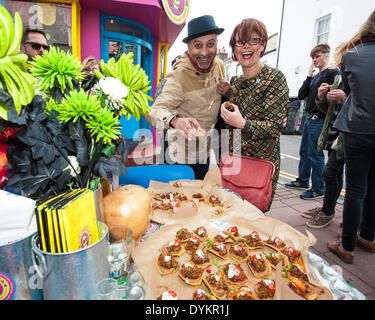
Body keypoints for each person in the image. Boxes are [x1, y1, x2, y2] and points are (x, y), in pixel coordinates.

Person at [219, 18, 289, 210]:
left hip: (259, 167)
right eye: (240, 42)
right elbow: (227, 125)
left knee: (253, 223)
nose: (246, 47)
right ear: (234, 48)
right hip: (233, 164)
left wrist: (243, 124)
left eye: (253, 40)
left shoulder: (274, 78)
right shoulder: (237, 82)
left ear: (263, 44)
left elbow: (275, 127)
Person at [146, 15, 225, 179]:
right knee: (175, 201)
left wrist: (227, 91)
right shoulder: (177, 77)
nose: (204, 52)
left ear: (217, 44)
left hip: (203, 152)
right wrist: (175, 120)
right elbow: (153, 112)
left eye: (210, 44)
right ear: (189, 47)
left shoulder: (219, 66)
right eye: (198, 46)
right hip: (177, 156)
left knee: (199, 199)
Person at [327, 10, 375, 264]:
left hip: (358, 128)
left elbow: (348, 91)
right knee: (373, 186)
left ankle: (346, 246)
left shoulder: (351, 56)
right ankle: (368, 236)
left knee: (356, 189)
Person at [285, 44, 340, 200]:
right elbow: (302, 95)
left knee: (315, 155)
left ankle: (318, 188)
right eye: (313, 57)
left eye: (318, 56)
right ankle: (303, 180)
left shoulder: (333, 73)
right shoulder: (316, 76)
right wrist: (309, 76)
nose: (315, 60)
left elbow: (332, 99)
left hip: (320, 118)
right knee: (305, 152)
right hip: (309, 118)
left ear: (327, 55)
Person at [302, 75, 346, 228]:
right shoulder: (338, 78)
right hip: (334, 134)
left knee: (329, 172)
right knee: (336, 172)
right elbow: (328, 109)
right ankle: (328, 209)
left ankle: (328, 212)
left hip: (349, 135)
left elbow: (362, 102)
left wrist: (345, 97)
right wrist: (321, 97)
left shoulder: (358, 75)